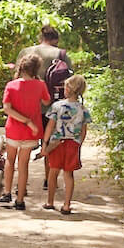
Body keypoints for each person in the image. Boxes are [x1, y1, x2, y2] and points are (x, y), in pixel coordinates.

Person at [0, 53, 50, 210]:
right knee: (23, 165)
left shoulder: (11, 85)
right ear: (36, 69)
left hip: (13, 129)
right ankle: (20, 200)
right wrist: (29, 120)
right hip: (31, 131)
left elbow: (7, 109)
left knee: (10, 160)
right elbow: (47, 101)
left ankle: (7, 192)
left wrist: (23, 120)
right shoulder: (40, 85)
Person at [39, 74, 91, 215]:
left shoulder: (57, 106)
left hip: (57, 142)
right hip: (72, 144)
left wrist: (45, 143)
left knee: (53, 172)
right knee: (69, 174)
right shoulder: (83, 109)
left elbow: (50, 126)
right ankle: (67, 205)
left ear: (67, 88)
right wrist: (78, 143)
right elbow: (84, 131)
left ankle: (50, 201)